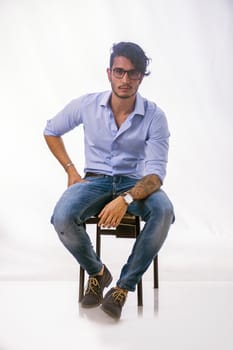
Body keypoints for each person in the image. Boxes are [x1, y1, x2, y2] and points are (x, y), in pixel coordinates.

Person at [43, 41, 174, 320]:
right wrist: (70, 169)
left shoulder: (154, 117)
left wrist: (125, 199)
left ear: (141, 77)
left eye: (133, 73)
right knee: (62, 217)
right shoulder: (87, 105)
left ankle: (122, 288)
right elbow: (51, 130)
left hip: (134, 184)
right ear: (109, 73)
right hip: (94, 181)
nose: (125, 79)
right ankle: (98, 273)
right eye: (119, 71)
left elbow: (155, 176)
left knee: (163, 211)